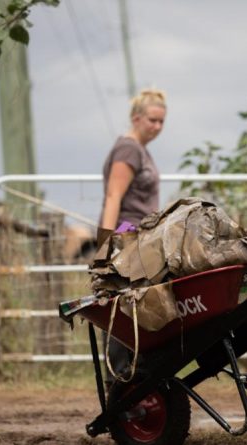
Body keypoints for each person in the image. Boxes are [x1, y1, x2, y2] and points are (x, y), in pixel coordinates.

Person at [99, 88, 167, 386]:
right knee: (122, 312)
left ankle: (137, 378)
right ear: (136, 118)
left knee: (137, 312)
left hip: (140, 241)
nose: (157, 127)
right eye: (152, 120)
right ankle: (121, 381)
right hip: (126, 238)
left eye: (161, 122)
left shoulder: (141, 150)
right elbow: (114, 198)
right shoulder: (128, 149)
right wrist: (106, 247)